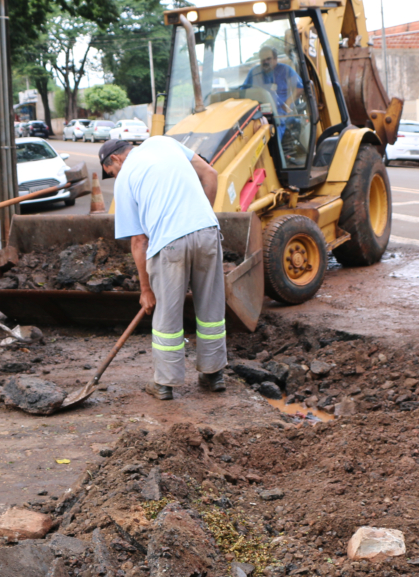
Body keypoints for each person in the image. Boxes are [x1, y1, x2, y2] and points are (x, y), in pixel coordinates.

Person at [101, 137, 226, 400]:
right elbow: (211, 174)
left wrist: (145, 289)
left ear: (115, 159)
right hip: (207, 231)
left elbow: (139, 240)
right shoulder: (164, 142)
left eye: (111, 173)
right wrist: (198, 220)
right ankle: (214, 374)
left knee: (167, 315)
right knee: (211, 309)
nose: (114, 177)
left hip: (169, 244)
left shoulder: (125, 179)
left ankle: (164, 384)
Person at [241, 47, 303, 113]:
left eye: (268, 59)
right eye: (263, 60)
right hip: (260, 113)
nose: (265, 62)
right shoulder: (254, 72)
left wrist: (288, 102)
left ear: (275, 59)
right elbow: (243, 92)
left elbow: (300, 87)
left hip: (282, 114)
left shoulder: (286, 70)